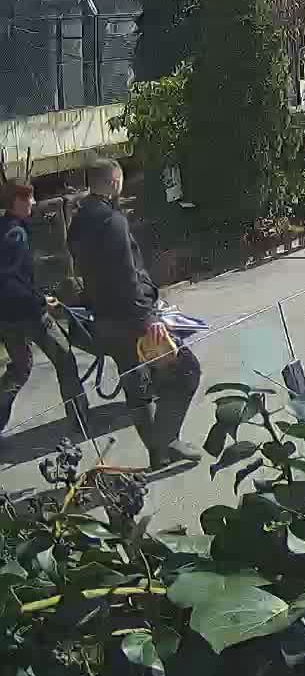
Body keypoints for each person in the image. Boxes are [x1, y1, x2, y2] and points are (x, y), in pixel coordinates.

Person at [67, 159, 201, 470]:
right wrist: (150, 319)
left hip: (103, 319)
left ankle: (158, 455)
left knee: (137, 388)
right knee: (186, 372)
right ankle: (167, 441)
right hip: (132, 319)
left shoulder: (79, 221)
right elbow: (127, 277)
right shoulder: (112, 221)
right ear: (114, 182)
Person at [0, 183, 88, 444]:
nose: (34, 203)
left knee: (19, 369)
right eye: (28, 199)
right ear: (15, 203)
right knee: (65, 358)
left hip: (7, 316)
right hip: (28, 313)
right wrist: (41, 300)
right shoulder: (14, 235)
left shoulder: (6, 229)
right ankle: (80, 420)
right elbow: (10, 280)